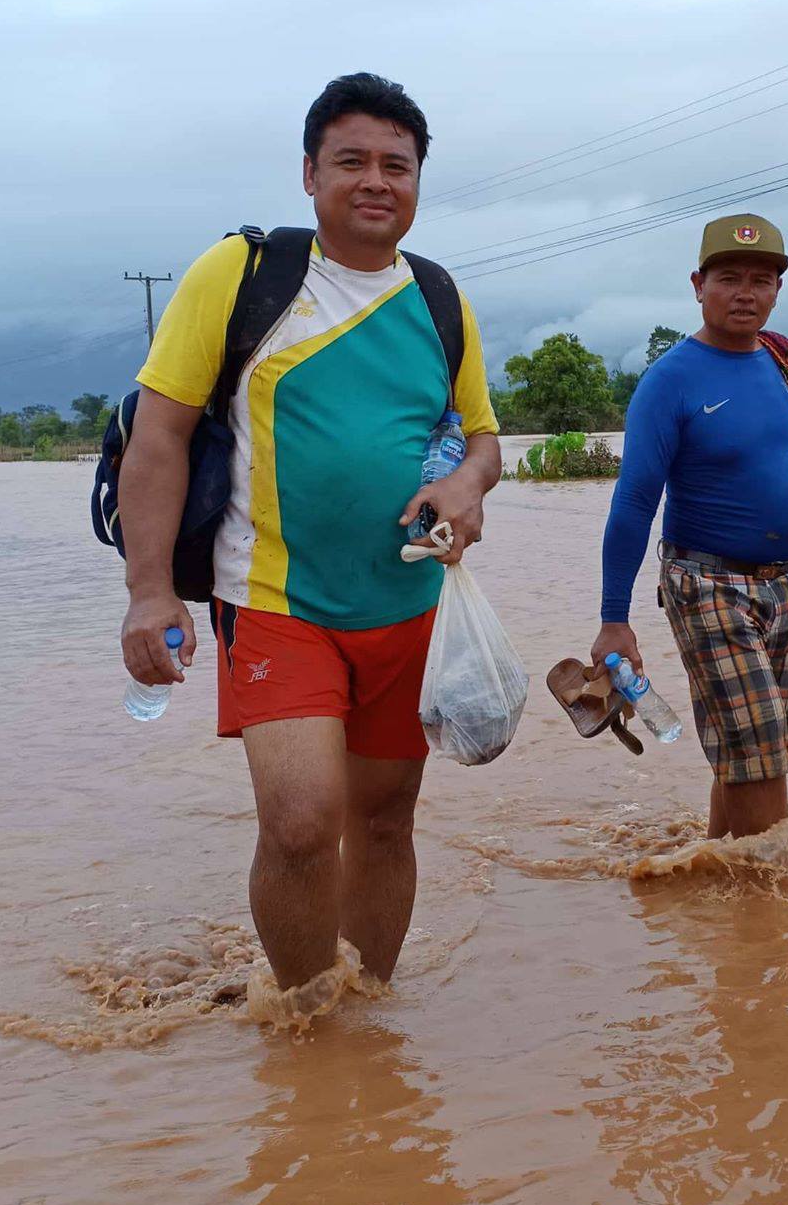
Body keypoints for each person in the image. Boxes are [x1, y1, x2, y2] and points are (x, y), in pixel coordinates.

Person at [118, 72, 502, 999]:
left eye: (397, 166)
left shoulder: (441, 299)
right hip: (274, 601)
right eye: (352, 161)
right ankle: (305, 1025)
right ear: (309, 173)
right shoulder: (244, 276)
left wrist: (462, 484)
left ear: (417, 183)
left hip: (406, 606)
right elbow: (158, 437)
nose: (376, 181)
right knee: (298, 822)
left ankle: (365, 1022)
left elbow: (484, 442)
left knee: (383, 823)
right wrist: (147, 589)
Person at [593, 213, 788, 841]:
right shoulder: (671, 380)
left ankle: (721, 900)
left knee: (766, 753)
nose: (746, 293)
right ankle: (777, 919)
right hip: (708, 586)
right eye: (729, 278)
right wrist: (613, 616)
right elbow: (633, 503)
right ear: (697, 284)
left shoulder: (780, 363)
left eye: (761, 280)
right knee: (757, 750)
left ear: (777, 291)